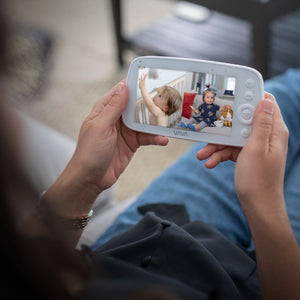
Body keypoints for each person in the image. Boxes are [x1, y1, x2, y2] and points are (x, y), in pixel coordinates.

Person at [2, 5, 300, 299]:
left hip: (137, 242)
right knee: (291, 91)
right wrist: (265, 208)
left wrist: (86, 181)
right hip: (231, 279)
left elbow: (38, 270)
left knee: (288, 92)